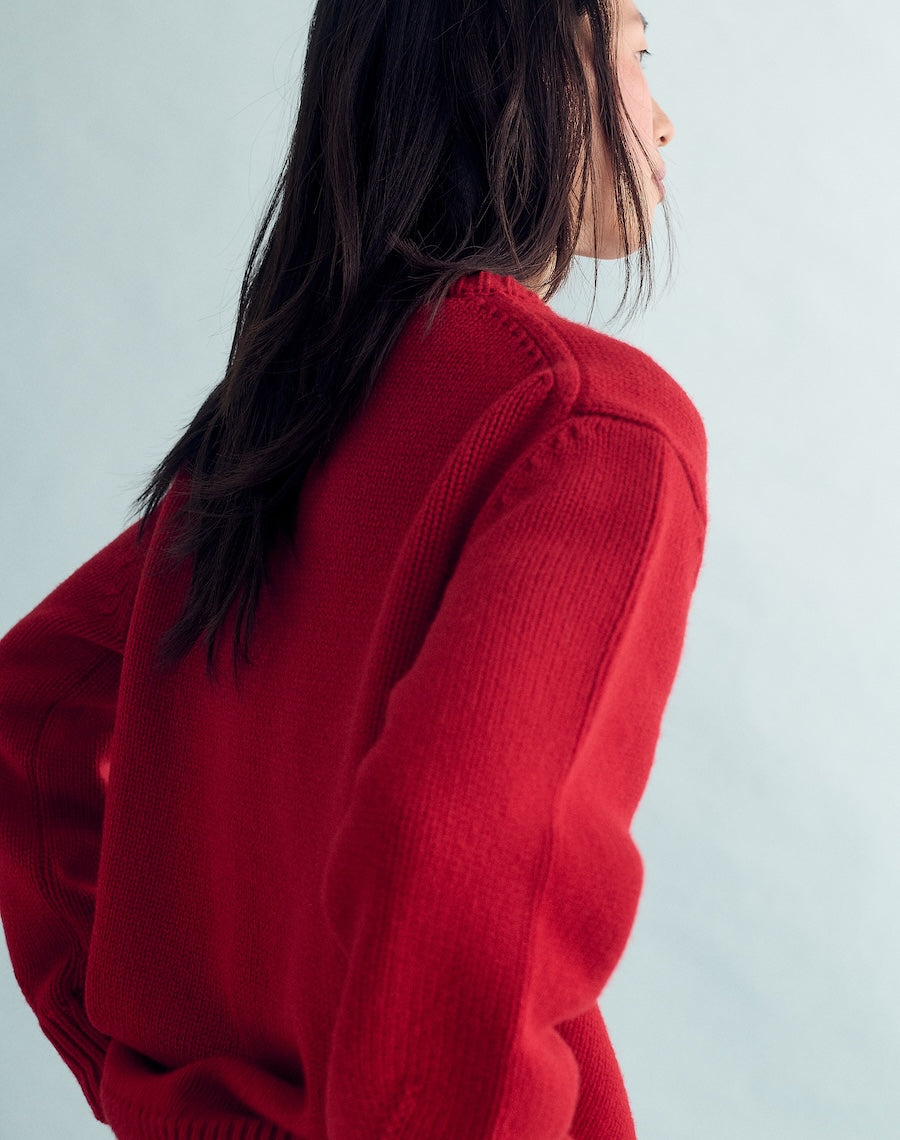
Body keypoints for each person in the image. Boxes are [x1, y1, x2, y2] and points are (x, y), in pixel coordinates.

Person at [0, 1, 705, 1137]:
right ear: (519, 69)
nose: (664, 120)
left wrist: (148, 1082)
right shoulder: (593, 427)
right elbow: (461, 866)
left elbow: (30, 710)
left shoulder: (284, 421)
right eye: (636, 52)